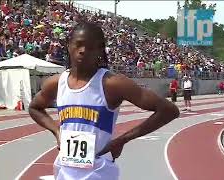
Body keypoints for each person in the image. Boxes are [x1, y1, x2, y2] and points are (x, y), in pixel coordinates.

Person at [28, 21, 179, 180]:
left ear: (100, 50)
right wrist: (57, 131)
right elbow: (35, 108)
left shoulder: (111, 84)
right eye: (78, 44)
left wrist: (122, 140)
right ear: (69, 45)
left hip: (98, 172)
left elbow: (169, 110)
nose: (83, 51)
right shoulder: (57, 83)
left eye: (90, 47)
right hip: (64, 171)